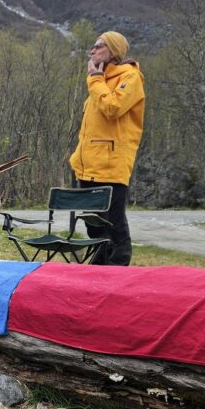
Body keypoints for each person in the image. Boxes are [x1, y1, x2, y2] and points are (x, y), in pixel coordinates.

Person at [69, 30, 145, 266]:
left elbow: (113, 108)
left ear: (114, 51)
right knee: (93, 222)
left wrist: (94, 79)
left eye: (99, 46)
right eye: (93, 46)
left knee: (113, 220)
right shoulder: (101, 81)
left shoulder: (130, 77)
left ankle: (118, 267)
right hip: (87, 164)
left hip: (111, 163)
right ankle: (100, 263)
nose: (92, 50)